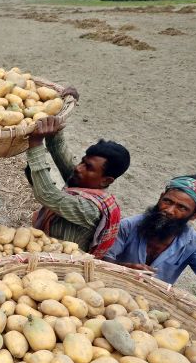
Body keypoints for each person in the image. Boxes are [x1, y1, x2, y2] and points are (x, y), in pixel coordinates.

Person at [105, 175, 196, 309]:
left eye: (181, 208)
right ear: (160, 197)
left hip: (151, 304)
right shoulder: (127, 226)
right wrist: (124, 268)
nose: (168, 210)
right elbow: (102, 260)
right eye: (167, 201)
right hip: (110, 290)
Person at [26, 100, 131, 257]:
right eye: (83, 161)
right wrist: (60, 107)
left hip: (62, 262)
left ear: (106, 181)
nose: (78, 167)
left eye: (88, 167)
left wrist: (35, 144)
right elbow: (57, 149)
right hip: (44, 248)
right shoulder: (84, 182)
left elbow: (47, 194)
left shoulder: (91, 209)